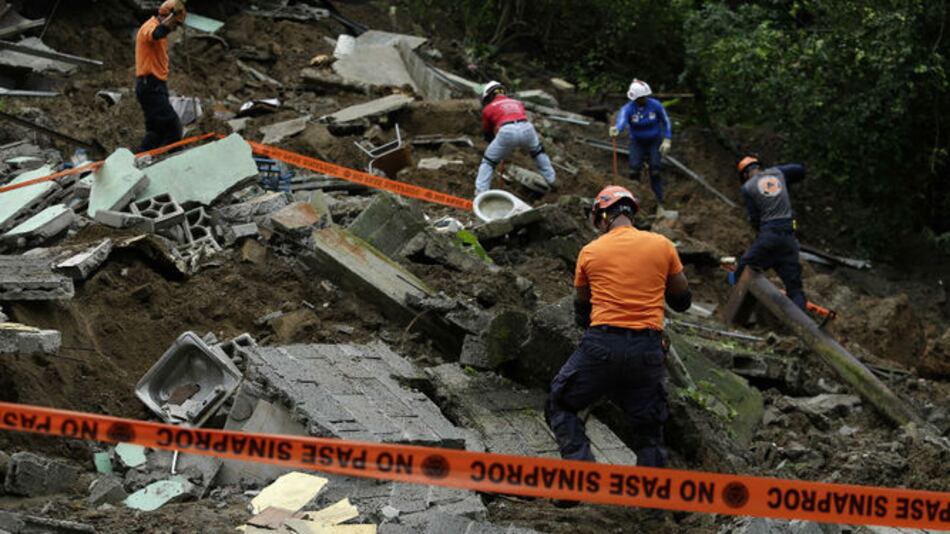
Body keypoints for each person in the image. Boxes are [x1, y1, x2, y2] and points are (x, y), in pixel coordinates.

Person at [546, 185, 691, 470]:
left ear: (602, 216)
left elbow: (582, 308)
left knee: (561, 403)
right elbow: (683, 300)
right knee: (649, 431)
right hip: (648, 349)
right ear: (631, 213)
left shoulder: (589, 252)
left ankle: (578, 473)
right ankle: (650, 502)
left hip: (602, 344)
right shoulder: (662, 245)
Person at [730, 156, 807, 310]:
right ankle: (802, 325)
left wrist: (761, 238)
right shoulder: (778, 173)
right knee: (795, 288)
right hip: (789, 238)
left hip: (769, 234)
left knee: (744, 267)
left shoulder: (747, 188)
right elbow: (800, 169)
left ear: (745, 175)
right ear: (759, 167)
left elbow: (755, 219)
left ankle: (735, 309)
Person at [474, 81, 556, 195]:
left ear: (489, 95)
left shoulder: (488, 108)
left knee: (488, 162)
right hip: (527, 128)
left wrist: (495, 145)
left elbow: (487, 132)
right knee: (538, 152)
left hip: (507, 131)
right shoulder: (517, 102)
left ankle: (481, 192)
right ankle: (551, 179)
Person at [135, 0, 187, 152]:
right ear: (167, 18)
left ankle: (140, 160)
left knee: (157, 131)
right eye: (175, 24)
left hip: (155, 85)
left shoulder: (159, 31)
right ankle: (174, 160)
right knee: (172, 126)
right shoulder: (149, 27)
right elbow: (156, 33)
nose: (174, 28)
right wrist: (171, 18)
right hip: (150, 86)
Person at [609, 79, 672, 205]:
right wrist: (617, 128)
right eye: (641, 98)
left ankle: (659, 198)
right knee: (634, 170)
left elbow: (665, 121)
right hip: (637, 142)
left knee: (655, 170)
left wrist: (667, 139)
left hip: (654, 140)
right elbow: (622, 121)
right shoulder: (628, 109)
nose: (644, 99)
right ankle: (635, 198)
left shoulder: (655, 105)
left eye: (645, 97)